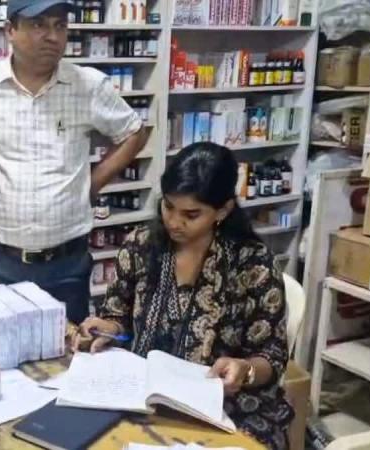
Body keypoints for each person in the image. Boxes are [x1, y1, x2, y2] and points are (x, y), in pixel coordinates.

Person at [0, 0, 149, 324]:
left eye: (60, 25)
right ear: (10, 30)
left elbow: (134, 132)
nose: (52, 36)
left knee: (68, 351)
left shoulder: (88, 86)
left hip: (66, 265)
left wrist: (94, 182)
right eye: (39, 24)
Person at [72, 142, 294, 450]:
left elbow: (272, 354)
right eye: (168, 207)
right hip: (144, 399)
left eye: (191, 214)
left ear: (223, 210)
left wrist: (246, 370)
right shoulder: (141, 245)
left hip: (227, 409)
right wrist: (110, 328)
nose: (174, 222)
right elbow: (118, 312)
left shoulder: (252, 264)